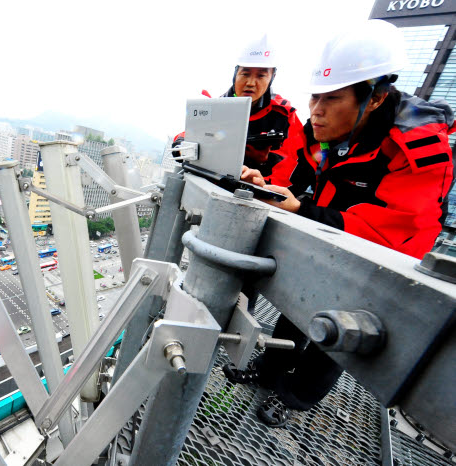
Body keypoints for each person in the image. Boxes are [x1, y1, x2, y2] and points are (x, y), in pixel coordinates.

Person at [230, 20, 454, 428]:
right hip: (327, 229)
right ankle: (268, 372)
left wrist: (305, 211)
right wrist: (269, 185)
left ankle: (295, 396)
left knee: (337, 334)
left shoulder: (419, 147)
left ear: (374, 98)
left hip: (383, 255)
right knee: (297, 306)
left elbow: (397, 231)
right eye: (315, 97)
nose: (316, 110)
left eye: (331, 99)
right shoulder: (320, 129)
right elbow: (293, 168)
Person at [173, 34, 304, 186]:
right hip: (211, 183)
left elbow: (293, 165)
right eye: (245, 73)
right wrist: (182, 143)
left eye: (261, 76)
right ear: (236, 73)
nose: (251, 83)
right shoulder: (218, 107)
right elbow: (190, 135)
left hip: (258, 194)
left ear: (272, 77)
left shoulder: (283, 116)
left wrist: (262, 177)